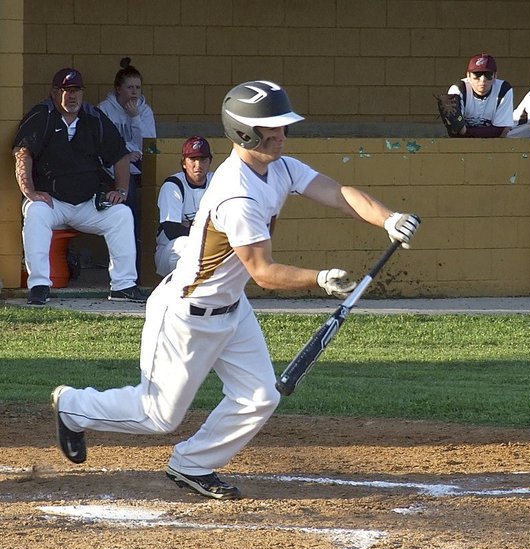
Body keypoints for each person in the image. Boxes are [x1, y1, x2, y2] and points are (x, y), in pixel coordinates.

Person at [50, 80, 420, 500]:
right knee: (157, 415)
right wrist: (319, 279)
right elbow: (263, 271)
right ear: (246, 132)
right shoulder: (236, 195)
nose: (282, 135)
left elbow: (337, 193)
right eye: (273, 127)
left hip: (232, 308)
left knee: (260, 395)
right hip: (187, 315)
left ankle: (193, 464)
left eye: (283, 126)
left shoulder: (278, 167)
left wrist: (389, 218)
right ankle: (73, 406)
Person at [12, 67, 146, 306]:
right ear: (55, 92)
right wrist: (29, 191)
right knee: (34, 211)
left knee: (122, 215)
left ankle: (123, 286)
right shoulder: (42, 115)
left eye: (76, 90)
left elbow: (120, 156)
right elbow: (23, 153)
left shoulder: (93, 117)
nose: (72, 96)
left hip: (88, 203)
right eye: (66, 90)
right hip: (53, 202)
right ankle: (40, 285)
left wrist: (121, 190)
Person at [98, 57, 157, 279]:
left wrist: (135, 118)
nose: (134, 93)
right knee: (128, 201)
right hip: (110, 167)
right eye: (130, 87)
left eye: (138, 88)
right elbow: (99, 144)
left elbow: (150, 144)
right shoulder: (104, 110)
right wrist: (122, 154)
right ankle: (128, 263)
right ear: (118, 89)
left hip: (138, 164)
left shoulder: (144, 110)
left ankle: (143, 261)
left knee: (151, 199)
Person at [155, 136, 214, 277]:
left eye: (203, 160)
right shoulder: (173, 185)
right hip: (169, 252)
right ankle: (179, 290)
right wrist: (208, 229)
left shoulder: (217, 182)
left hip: (207, 246)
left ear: (210, 161)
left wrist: (190, 225)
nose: (198, 165)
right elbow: (172, 230)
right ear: (183, 163)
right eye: (193, 160)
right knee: (186, 244)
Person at [446, 53, 513, 137]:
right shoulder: (458, 89)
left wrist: (465, 131)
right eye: (477, 74)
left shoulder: (503, 89)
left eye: (488, 75)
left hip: (492, 146)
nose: (482, 80)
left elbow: (502, 130)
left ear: (495, 76)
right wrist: (492, 131)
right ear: (468, 75)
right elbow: (455, 129)